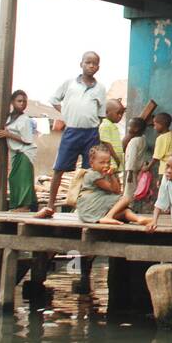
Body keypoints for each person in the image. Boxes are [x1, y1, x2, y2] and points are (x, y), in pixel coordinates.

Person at [44, 51, 108, 218]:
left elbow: (101, 114)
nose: (91, 66)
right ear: (81, 64)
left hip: (91, 133)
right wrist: (66, 113)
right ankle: (50, 205)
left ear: (98, 67)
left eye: (94, 64)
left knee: (90, 172)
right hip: (72, 131)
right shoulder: (69, 84)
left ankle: (87, 207)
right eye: (88, 62)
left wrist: (94, 128)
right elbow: (54, 99)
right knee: (59, 168)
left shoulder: (100, 88)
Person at [74, 144, 152, 226]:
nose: (106, 165)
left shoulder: (105, 174)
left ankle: (138, 219)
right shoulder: (92, 174)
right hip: (90, 206)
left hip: (99, 206)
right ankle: (108, 216)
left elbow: (117, 191)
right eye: (102, 162)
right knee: (125, 199)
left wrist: (112, 175)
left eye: (108, 162)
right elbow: (115, 190)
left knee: (124, 212)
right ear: (91, 163)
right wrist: (111, 176)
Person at [0, 89, 39, 212]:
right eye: (19, 101)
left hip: (25, 151)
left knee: (23, 179)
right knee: (14, 178)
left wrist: (8, 134)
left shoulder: (25, 119)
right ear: (12, 102)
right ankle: (18, 205)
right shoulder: (9, 117)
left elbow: (27, 139)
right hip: (15, 152)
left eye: (24, 101)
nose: (22, 104)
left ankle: (24, 206)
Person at [121, 116, 155, 213]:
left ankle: (127, 209)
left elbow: (132, 157)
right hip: (139, 169)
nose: (128, 128)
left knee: (129, 192)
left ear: (135, 129)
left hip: (132, 171)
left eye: (129, 126)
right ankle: (133, 208)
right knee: (136, 190)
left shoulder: (133, 142)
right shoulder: (142, 139)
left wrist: (130, 172)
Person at [99, 98, 127, 170]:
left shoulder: (111, 125)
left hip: (115, 161)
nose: (120, 116)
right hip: (110, 161)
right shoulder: (105, 125)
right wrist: (116, 158)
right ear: (106, 112)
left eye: (122, 114)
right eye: (118, 113)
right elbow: (106, 143)